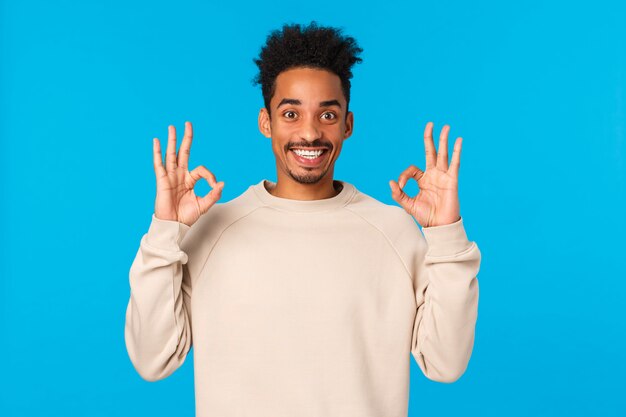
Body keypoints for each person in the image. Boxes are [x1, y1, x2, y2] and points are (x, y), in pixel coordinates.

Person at [124, 21, 481, 417]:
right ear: (266, 122)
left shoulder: (393, 232)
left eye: (327, 115)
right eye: (290, 113)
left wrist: (447, 237)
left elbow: (446, 365)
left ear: (348, 124)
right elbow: (152, 359)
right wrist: (164, 233)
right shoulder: (213, 231)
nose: (310, 133)